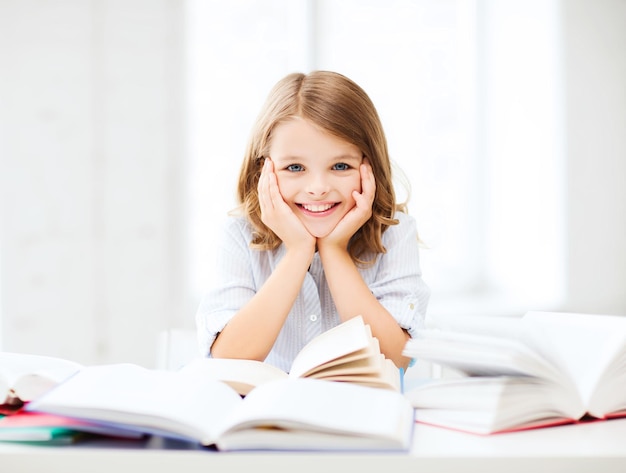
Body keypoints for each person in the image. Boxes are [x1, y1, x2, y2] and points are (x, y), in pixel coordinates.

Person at [196, 70, 430, 372]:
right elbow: (228, 359)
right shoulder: (240, 235)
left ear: (368, 167)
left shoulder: (394, 233)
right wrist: (297, 252)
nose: (318, 187)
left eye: (340, 166)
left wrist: (334, 251)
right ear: (263, 171)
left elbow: (395, 357)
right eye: (295, 167)